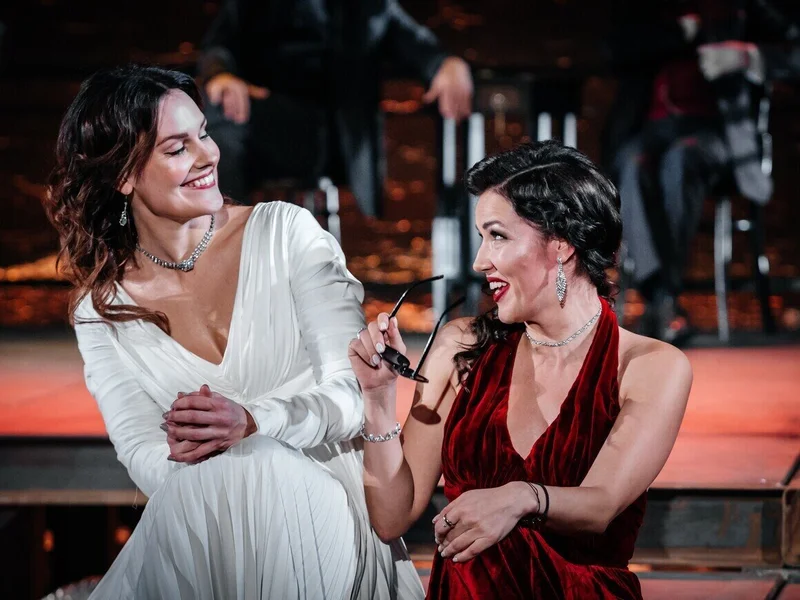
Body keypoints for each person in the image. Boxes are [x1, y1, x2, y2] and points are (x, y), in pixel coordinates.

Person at [43, 64, 424, 599]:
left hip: (329, 517)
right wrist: (210, 460)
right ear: (123, 176)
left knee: (258, 461)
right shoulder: (100, 309)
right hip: (209, 525)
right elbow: (143, 453)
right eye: (177, 148)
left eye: (204, 133)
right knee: (234, 475)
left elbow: (351, 397)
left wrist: (252, 423)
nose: (208, 156)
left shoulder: (287, 234)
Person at [348, 141, 693, 599]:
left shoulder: (650, 366)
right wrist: (377, 399)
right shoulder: (463, 348)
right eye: (481, 237)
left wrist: (520, 497)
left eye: (498, 236)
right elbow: (393, 517)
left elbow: (601, 505)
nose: (479, 262)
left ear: (561, 243)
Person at [602, 0, 800, 343]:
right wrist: (674, 34)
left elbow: (794, 54)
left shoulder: (749, 8)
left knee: (680, 160)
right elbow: (611, 51)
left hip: (716, 132)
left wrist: (748, 57)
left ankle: (660, 300)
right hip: (651, 131)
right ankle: (663, 298)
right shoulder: (646, 12)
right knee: (632, 165)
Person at [197, 0, 474, 215]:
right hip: (267, 123)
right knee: (218, 117)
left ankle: (227, 242)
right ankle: (226, 241)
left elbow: (414, 41)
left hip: (334, 139)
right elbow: (218, 47)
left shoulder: (370, 5)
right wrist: (222, 75)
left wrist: (446, 64)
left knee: (221, 126)